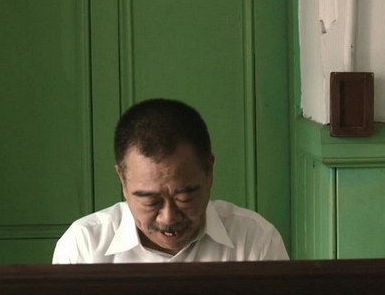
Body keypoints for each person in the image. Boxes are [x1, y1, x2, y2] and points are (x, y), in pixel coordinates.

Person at [53, 98, 289, 263]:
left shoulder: (255, 240)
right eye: (151, 201)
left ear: (209, 171)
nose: (168, 217)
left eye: (184, 197)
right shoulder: (84, 246)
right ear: (122, 180)